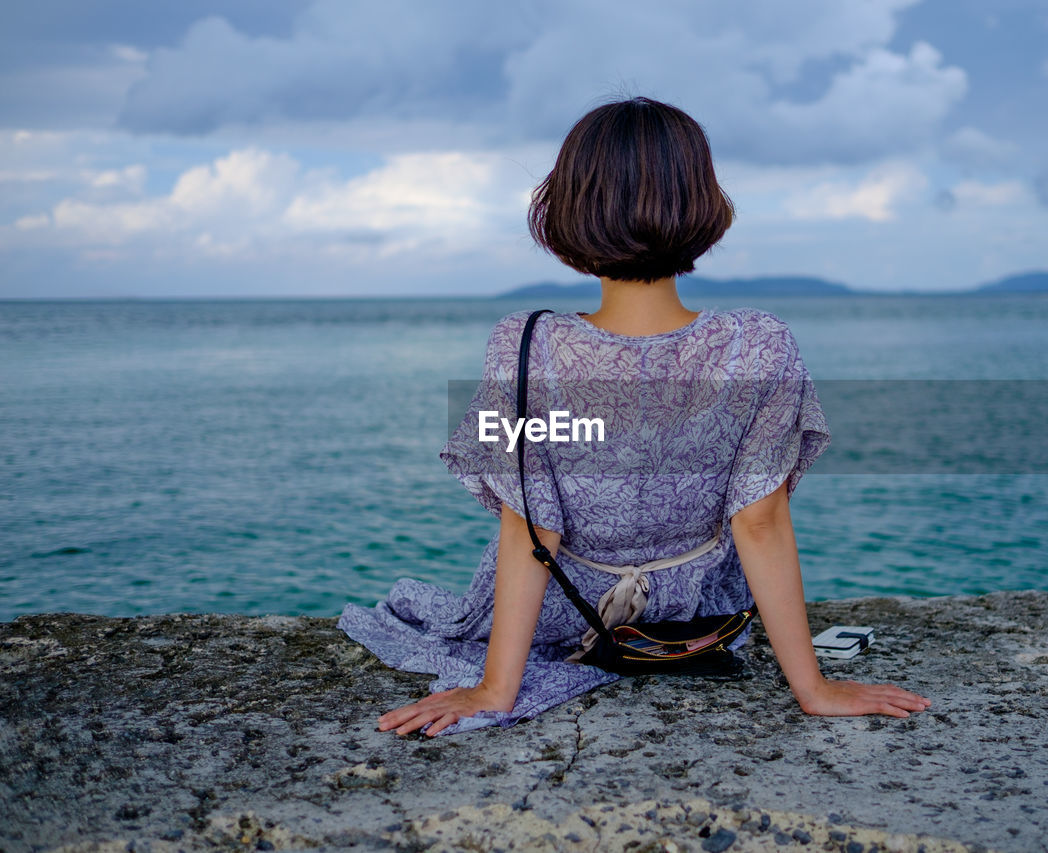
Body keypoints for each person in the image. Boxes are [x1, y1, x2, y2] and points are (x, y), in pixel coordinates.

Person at [337, 96, 931, 737]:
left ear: (567, 209)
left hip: (566, 616)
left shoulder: (525, 345)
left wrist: (494, 690)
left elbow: (532, 533)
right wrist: (812, 688)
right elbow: (760, 524)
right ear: (701, 205)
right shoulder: (760, 344)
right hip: (693, 617)